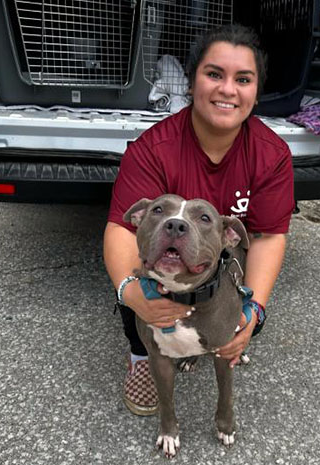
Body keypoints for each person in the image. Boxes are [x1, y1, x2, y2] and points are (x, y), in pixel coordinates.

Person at [103, 24, 295, 416]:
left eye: (243, 79)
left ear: (256, 92)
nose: (227, 89)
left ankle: (212, 340)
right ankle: (143, 355)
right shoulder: (152, 150)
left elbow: (268, 236)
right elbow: (122, 228)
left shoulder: (271, 154)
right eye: (214, 74)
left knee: (241, 312)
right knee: (137, 281)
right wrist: (131, 293)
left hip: (218, 265)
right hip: (161, 264)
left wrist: (252, 311)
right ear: (192, 83)